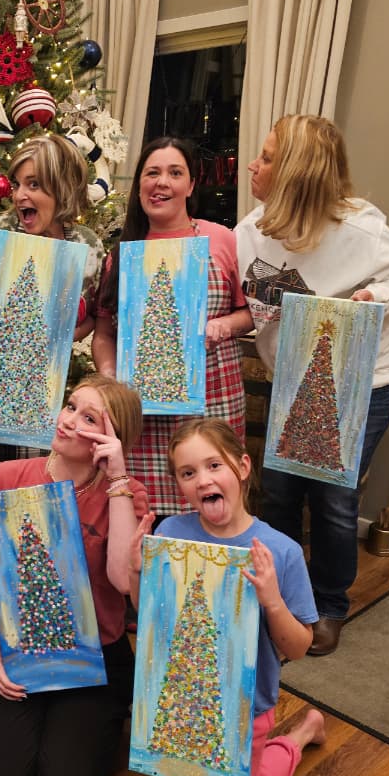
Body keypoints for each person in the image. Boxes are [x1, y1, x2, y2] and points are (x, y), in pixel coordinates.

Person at [236, 114, 389, 655]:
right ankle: (280, 593)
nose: (255, 163)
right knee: (279, 492)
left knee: (334, 499)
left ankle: (329, 603)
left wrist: (371, 299)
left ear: (297, 172)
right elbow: (253, 309)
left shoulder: (361, 229)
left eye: (268, 157)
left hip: (366, 383)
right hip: (294, 382)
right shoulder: (250, 232)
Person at [128, 418, 325, 776]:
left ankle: (300, 735)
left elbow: (299, 648)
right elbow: (149, 617)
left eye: (214, 465)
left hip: (246, 709)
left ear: (243, 467)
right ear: (179, 485)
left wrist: (271, 600)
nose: (202, 480)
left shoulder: (280, 551)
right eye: (188, 473)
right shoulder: (171, 533)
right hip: (183, 701)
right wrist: (136, 575)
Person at [0, 374, 148, 776]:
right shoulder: (8, 477)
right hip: (17, 650)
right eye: (70, 406)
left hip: (96, 658)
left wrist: (119, 479)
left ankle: (98, 724)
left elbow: (121, 582)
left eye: (88, 418)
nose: (68, 420)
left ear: (112, 438)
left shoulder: (127, 494)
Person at [93, 137, 252, 518]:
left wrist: (224, 325)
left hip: (212, 401)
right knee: (147, 516)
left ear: (191, 185)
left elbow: (248, 315)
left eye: (174, 173)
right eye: (152, 173)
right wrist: (112, 378)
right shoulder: (121, 254)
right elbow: (103, 334)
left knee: (214, 509)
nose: (162, 182)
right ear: (139, 185)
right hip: (143, 415)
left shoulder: (221, 240)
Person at [0, 133, 107, 475]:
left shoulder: (87, 248)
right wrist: (2, 326)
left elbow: (90, 315)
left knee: (29, 480)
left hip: (39, 385)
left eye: (33, 185)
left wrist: (57, 337)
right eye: (17, 184)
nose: (19, 195)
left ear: (62, 189)